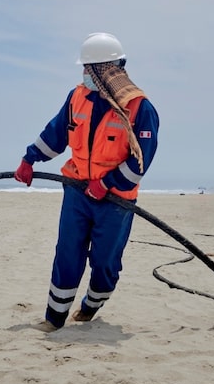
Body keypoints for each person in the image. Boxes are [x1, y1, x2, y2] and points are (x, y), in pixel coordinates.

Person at [13, 33, 159, 329]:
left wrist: (108, 183)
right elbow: (56, 133)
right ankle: (54, 319)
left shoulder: (140, 108)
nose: (84, 75)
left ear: (107, 69)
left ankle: (92, 305)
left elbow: (141, 162)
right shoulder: (77, 97)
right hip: (78, 191)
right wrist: (30, 159)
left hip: (115, 201)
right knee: (67, 252)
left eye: (88, 69)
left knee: (105, 262)